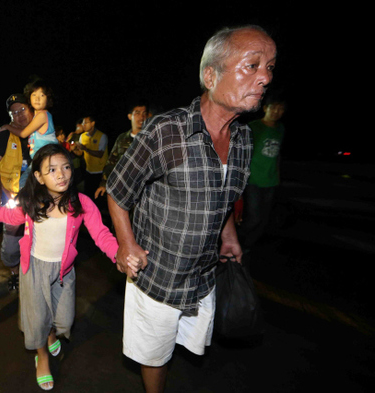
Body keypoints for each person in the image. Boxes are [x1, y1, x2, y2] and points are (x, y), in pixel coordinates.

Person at [106, 25, 277, 393]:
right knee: (156, 356)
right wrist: (126, 244)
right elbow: (118, 191)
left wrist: (228, 233)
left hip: (204, 275)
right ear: (211, 75)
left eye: (270, 67)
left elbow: (224, 193)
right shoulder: (165, 131)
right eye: (252, 65)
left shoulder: (245, 138)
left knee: (186, 346)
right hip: (160, 276)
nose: (265, 78)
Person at [0, 143, 136, 390]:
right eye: (51, 170)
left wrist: (119, 254)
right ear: (39, 177)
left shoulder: (81, 202)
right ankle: (41, 357)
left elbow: (101, 234)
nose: (61, 174)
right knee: (37, 317)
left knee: (63, 317)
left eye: (65, 167)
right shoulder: (31, 202)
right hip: (34, 269)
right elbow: (11, 217)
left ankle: (51, 333)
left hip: (64, 271)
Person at [0, 93, 33, 291]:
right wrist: (5, 192)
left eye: (22, 109)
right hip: (12, 196)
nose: (18, 115)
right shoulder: (5, 135)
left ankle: (34, 273)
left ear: (32, 110)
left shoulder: (40, 135)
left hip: (36, 197)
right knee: (12, 238)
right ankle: (14, 270)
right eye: (13, 112)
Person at [238, 93, 286, 252]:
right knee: (254, 218)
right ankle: (237, 241)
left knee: (264, 219)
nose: (277, 112)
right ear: (265, 108)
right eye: (274, 108)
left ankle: (248, 246)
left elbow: (277, 154)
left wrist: (277, 175)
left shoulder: (280, 129)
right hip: (253, 181)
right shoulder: (254, 127)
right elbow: (242, 152)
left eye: (281, 109)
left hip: (271, 181)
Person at [0, 79, 59, 186]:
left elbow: (23, 133)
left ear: (48, 99)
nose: (37, 98)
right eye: (34, 94)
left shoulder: (42, 115)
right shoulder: (38, 116)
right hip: (41, 159)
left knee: (23, 184)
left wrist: (7, 126)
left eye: (42, 95)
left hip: (48, 158)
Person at [94, 101, 149, 199]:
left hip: (146, 192)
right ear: (129, 116)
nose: (141, 117)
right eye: (137, 113)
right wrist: (104, 183)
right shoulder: (122, 138)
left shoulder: (151, 138)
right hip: (125, 190)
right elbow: (111, 162)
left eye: (144, 113)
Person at [77, 115, 108, 202]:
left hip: (100, 171)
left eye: (85, 123)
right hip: (88, 170)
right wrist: (73, 149)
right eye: (83, 123)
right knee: (88, 195)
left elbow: (100, 154)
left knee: (98, 197)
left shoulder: (102, 136)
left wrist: (85, 149)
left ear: (93, 123)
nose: (83, 125)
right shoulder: (82, 136)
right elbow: (80, 153)